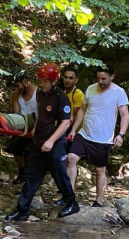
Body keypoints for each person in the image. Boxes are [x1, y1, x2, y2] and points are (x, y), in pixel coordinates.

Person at [6, 63, 80, 221]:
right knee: (31, 176)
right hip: (38, 143)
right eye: (41, 81)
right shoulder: (41, 95)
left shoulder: (61, 98)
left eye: (45, 81)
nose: (42, 84)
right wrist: (34, 131)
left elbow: (65, 122)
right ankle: (22, 209)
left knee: (60, 175)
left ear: (53, 81)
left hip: (55, 144)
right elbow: (41, 114)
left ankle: (72, 202)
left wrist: (51, 141)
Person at [66, 65, 129, 207]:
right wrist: (74, 129)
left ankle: (98, 201)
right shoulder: (90, 89)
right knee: (70, 159)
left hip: (103, 138)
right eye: (98, 78)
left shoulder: (119, 92)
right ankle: (69, 196)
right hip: (85, 134)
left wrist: (121, 135)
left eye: (104, 78)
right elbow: (82, 110)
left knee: (100, 170)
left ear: (112, 77)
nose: (100, 81)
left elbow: (124, 115)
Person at [54, 65, 85, 205]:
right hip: (63, 128)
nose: (67, 80)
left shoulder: (77, 94)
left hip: (73, 131)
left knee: (69, 160)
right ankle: (65, 191)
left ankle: (68, 192)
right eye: (65, 77)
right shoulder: (60, 92)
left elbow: (74, 115)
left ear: (76, 80)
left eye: (70, 78)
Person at [5, 67, 39, 184]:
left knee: (32, 150)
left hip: (37, 124)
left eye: (17, 85)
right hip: (23, 124)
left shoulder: (38, 93)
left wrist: (35, 129)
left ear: (25, 82)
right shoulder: (16, 95)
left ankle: (31, 175)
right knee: (15, 146)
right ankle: (22, 171)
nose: (16, 89)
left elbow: (43, 114)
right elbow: (16, 113)